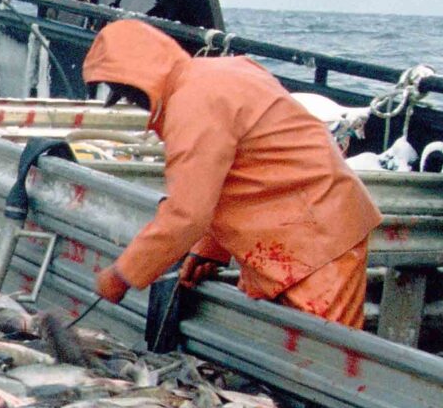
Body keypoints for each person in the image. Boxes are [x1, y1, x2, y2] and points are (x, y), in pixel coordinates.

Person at [80, 19, 381, 329]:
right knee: (292, 358)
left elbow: (186, 214)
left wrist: (122, 274)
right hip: (298, 231)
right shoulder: (221, 72)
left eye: (128, 94)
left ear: (139, 80)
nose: (134, 103)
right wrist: (210, 250)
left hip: (316, 238)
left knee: (322, 361)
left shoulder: (193, 104)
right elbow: (244, 171)